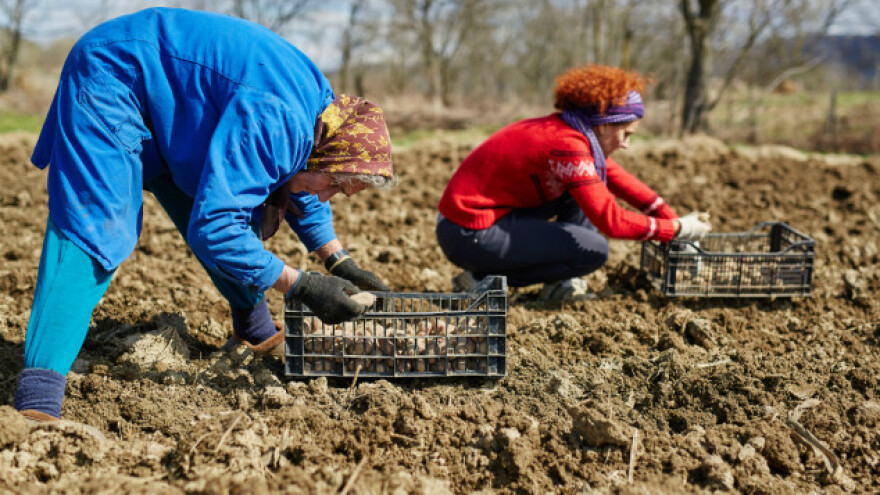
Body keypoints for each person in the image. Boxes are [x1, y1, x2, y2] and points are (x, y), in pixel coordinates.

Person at [14, 8, 395, 422]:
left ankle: (255, 332)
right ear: (329, 152)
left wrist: (339, 261)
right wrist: (302, 286)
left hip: (171, 114)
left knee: (232, 211)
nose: (330, 197)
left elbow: (301, 178)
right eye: (337, 185)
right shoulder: (280, 118)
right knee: (97, 230)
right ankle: (38, 400)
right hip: (114, 77)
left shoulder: (324, 120)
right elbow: (214, 228)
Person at [436, 65, 711, 301]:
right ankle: (480, 279)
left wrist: (672, 219)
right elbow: (610, 221)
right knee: (593, 251)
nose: (626, 145)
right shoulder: (567, 146)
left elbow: (623, 182)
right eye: (625, 134)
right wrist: (675, 230)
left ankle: (561, 284)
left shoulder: (571, 131)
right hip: (467, 232)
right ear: (604, 125)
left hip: (481, 221)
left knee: (586, 191)